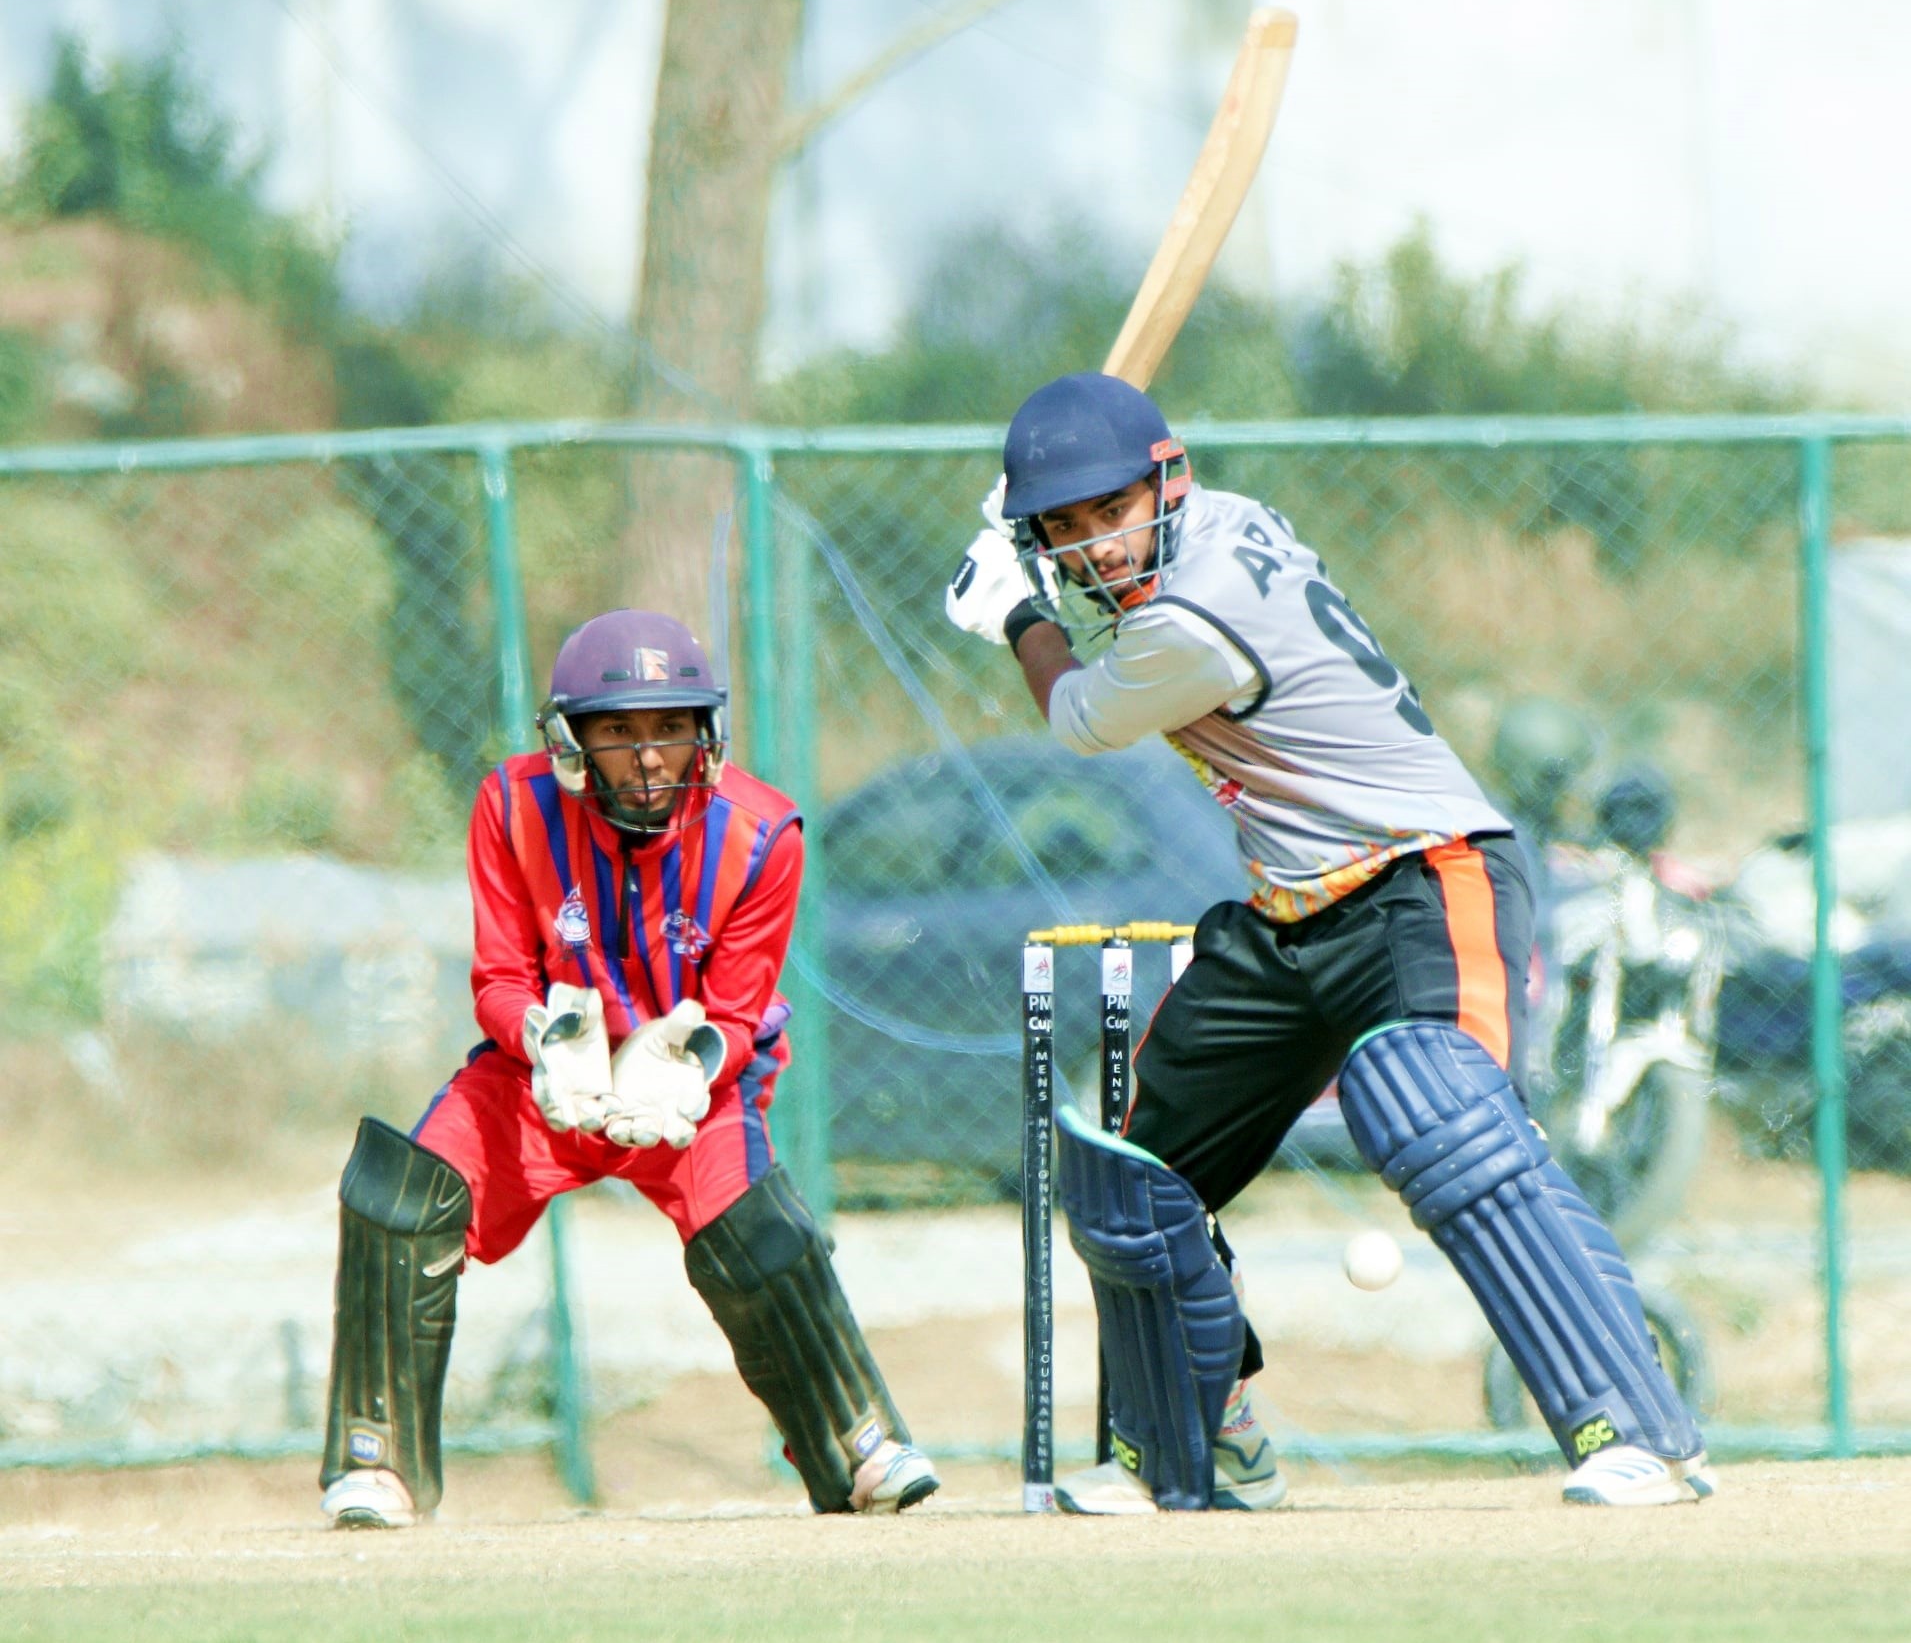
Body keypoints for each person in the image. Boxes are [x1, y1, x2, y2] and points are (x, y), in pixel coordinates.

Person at [945, 372, 1713, 1513]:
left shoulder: (1186, 619)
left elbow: (1081, 718)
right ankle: (1195, 1446)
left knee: (1435, 1117)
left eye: (1111, 511)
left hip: (1424, 872)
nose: (1096, 546)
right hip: (1295, 909)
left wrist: (1017, 612)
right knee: (1130, 1174)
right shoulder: (1229, 519)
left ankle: (1641, 1432)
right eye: (1064, 528)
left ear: (1169, 481)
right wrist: (1047, 532)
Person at [317, 609, 938, 1527]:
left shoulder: (763, 833)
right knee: (397, 1201)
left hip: (689, 1088)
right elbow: (496, 977)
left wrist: (686, 1072)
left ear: (705, 733)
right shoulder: (513, 805)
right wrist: (538, 1037)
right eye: (618, 731)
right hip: (545, 1080)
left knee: (758, 1233)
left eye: (670, 726)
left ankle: (859, 1446)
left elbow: (735, 1009)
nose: (648, 757)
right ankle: (377, 1463)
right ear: (572, 740)